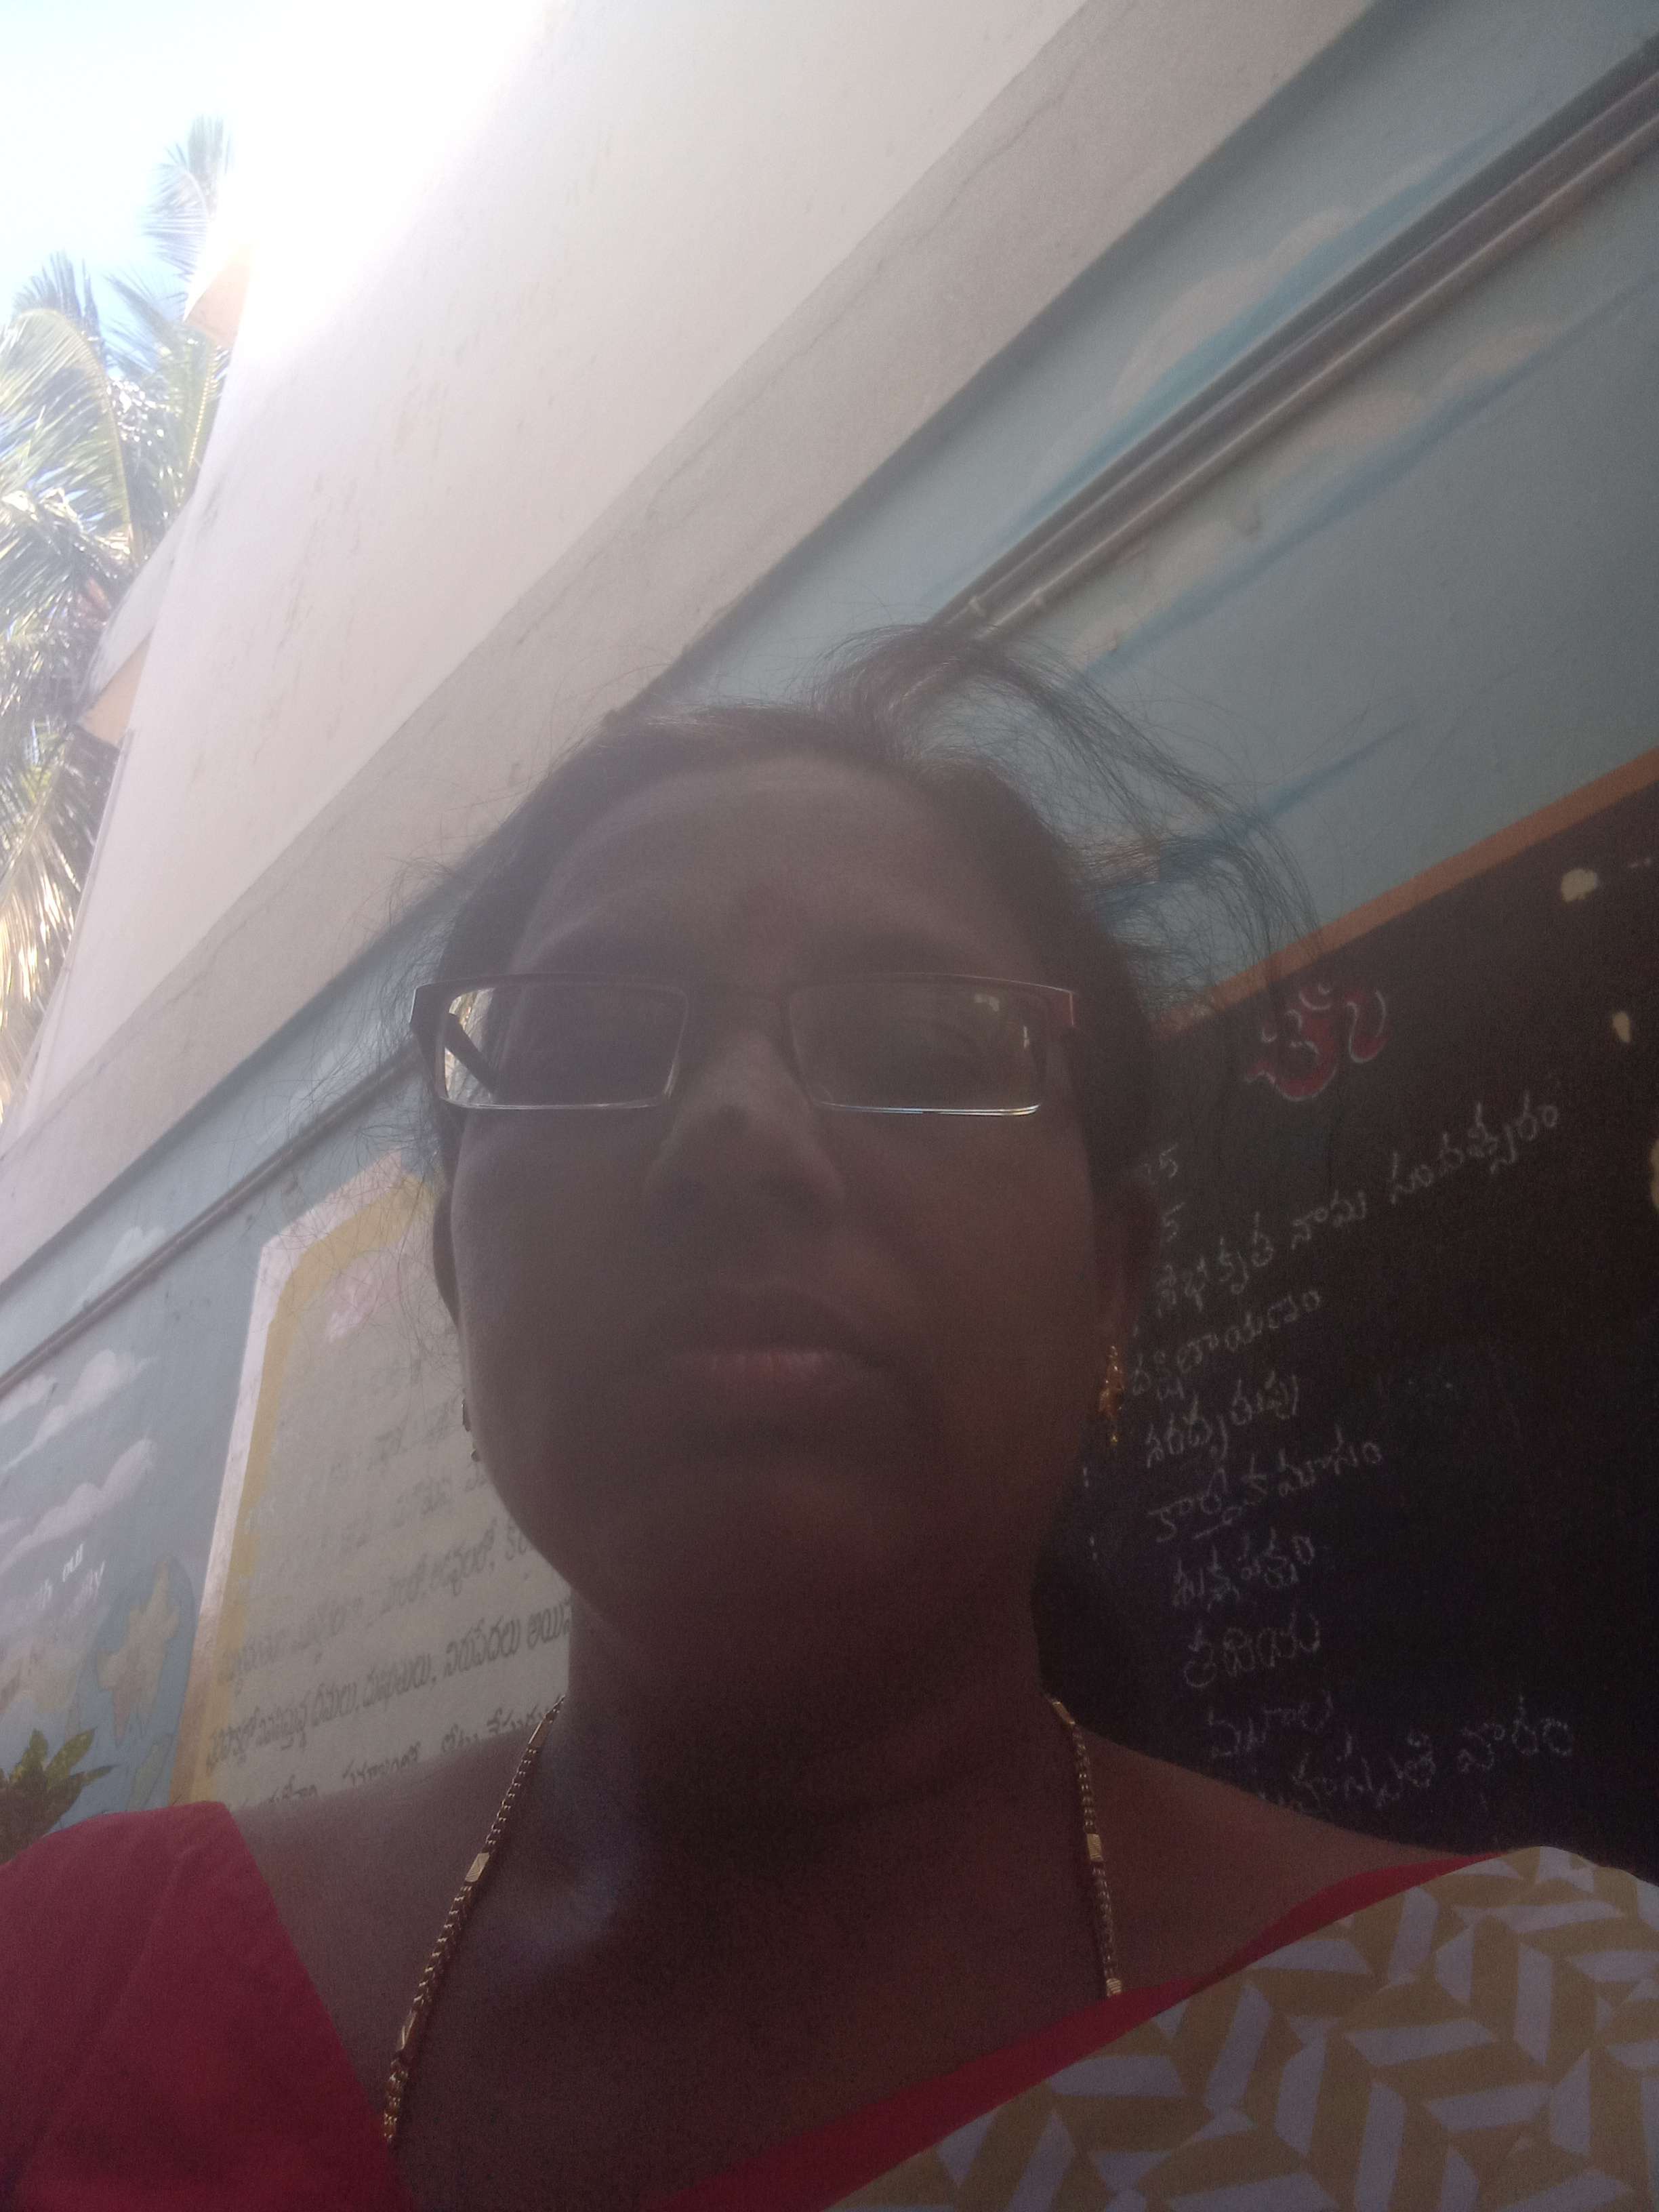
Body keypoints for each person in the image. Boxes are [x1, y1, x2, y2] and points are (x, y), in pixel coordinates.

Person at [2, 629, 1652, 2209]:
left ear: (1112, 1284)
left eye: (924, 1038)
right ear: (457, 1280)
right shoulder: (74, 1983)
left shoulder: (1550, 2082)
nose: (738, 1133)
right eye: (589, 1037)